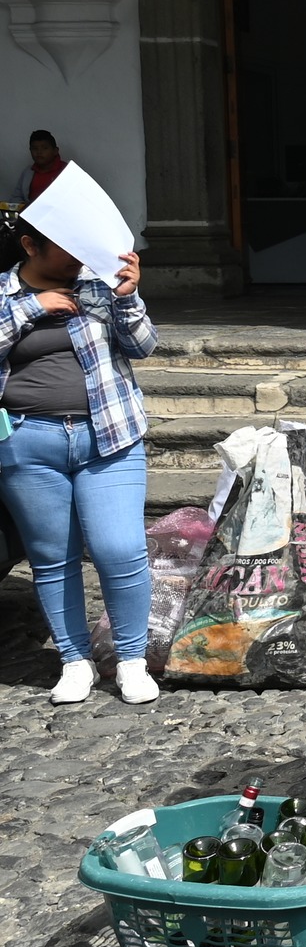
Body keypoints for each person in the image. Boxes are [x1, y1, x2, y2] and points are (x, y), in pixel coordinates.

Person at [0, 231, 155, 706]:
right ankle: (74, 660)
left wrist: (128, 299)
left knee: (120, 547)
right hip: (27, 442)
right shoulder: (5, 294)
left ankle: (132, 660)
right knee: (51, 557)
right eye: (67, 251)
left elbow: (144, 346)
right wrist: (33, 307)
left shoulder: (97, 284)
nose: (79, 261)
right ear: (30, 246)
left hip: (109, 435)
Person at [16, 130, 67, 205]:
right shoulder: (28, 172)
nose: (39, 152)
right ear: (30, 150)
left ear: (55, 151)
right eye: (35, 148)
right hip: (30, 215)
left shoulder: (66, 171)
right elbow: (16, 197)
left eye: (45, 148)